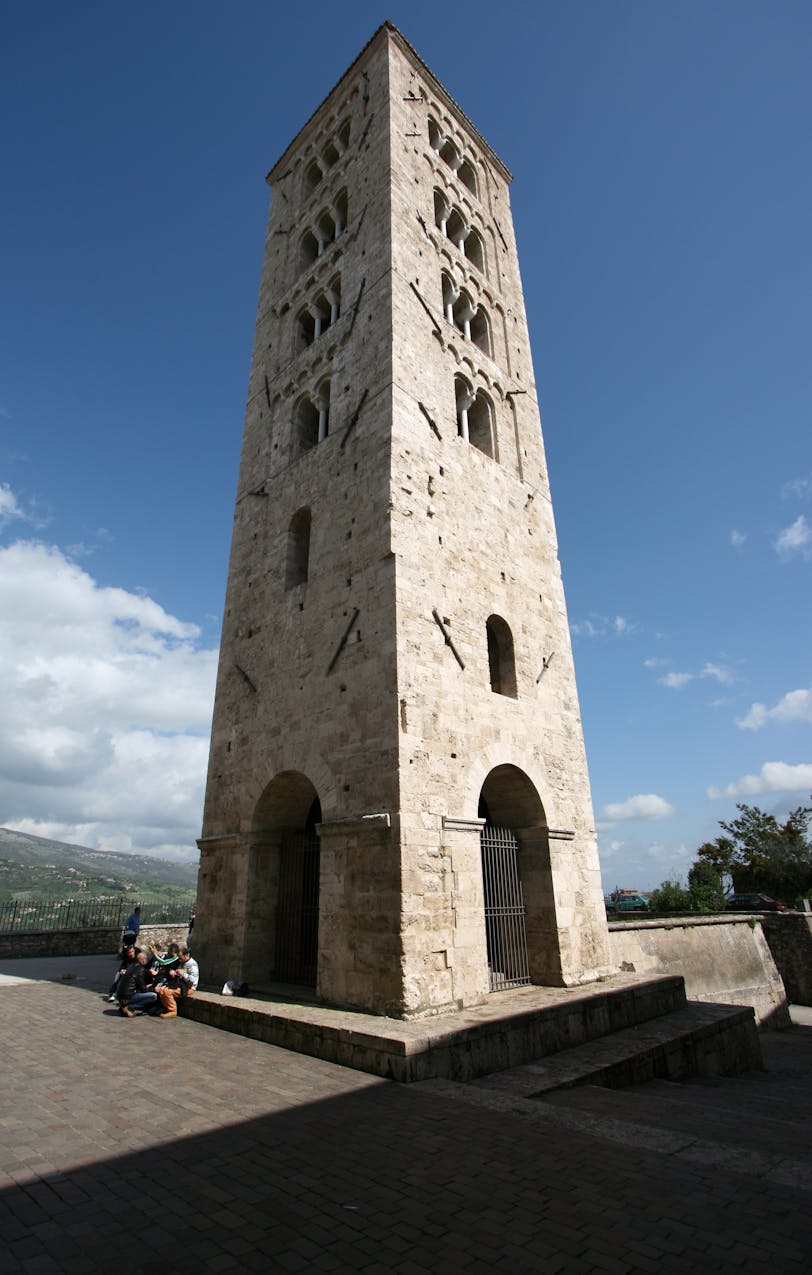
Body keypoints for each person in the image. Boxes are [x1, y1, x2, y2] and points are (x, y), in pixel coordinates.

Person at [157, 946, 199, 1018]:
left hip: (188, 987)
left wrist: (182, 974)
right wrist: (174, 972)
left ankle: (172, 1010)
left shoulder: (192, 965)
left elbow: (192, 980)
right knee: (161, 990)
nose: (179, 959)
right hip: (179, 984)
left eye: (181, 957)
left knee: (167, 992)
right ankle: (166, 1008)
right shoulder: (182, 962)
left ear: (186, 955)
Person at [116, 952, 158, 1017]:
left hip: (119, 995)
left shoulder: (131, 966)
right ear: (143, 960)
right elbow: (143, 988)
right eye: (146, 959)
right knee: (153, 996)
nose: (146, 961)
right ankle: (130, 1007)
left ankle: (124, 1006)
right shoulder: (140, 970)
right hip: (128, 997)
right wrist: (151, 988)